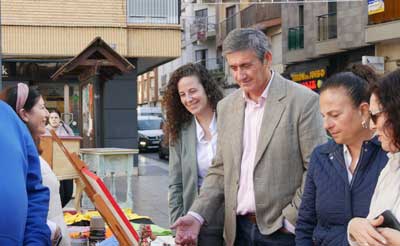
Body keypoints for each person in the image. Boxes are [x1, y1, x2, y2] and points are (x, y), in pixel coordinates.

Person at [172, 28, 326, 246]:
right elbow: (220, 169)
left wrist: (289, 219)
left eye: (246, 65)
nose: (239, 75)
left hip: (282, 234)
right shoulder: (226, 107)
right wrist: (197, 215)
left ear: (267, 59)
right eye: (233, 67)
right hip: (237, 232)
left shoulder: (303, 101)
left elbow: (316, 168)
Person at [295, 66, 387, 245]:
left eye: (334, 115)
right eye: (323, 116)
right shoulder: (320, 157)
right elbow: (305, 224)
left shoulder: (390, 156)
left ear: (364, 110)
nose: (326, 125)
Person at [1, 83, 71, 246]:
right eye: (42, 107)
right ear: (24, 114)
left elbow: (36, 196)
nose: (47, 113)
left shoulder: (12, 126)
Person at [163, 63, 225, 245]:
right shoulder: (180, 132)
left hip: (233, 217)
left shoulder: (230, 120)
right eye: (182, 94)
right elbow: (175, 184)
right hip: (196, 218)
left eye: (192, 91)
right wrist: (177, 230)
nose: (188, 99)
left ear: (206, 89)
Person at [348, 69, 400, 246]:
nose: (371, 125)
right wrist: (355, 227)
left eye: (375, 116)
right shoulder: (391, 166)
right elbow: (372, 223)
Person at [0, 100, 51, 245]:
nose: (46, 113)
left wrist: (36, 240)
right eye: (41, 107)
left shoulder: (9, 117)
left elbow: (34, 192)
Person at [45, 108, 74, 208]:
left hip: (66, 165)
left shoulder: (66, 129)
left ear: (60, 119)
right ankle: (56, 212)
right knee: (59, 193)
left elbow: (73, 143)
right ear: (48, 119)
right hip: (53, 167)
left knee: (68, 193)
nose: (54, 119)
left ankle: (58, 210)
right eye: (51, 117)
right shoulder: (44, 131)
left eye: (56, 117)